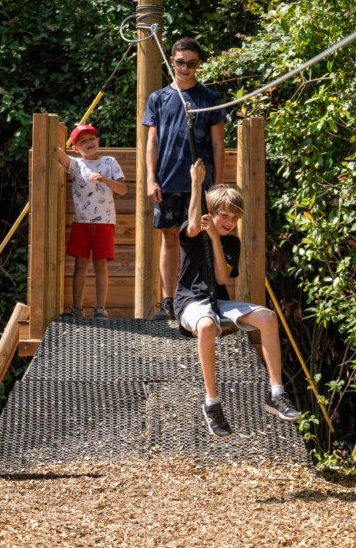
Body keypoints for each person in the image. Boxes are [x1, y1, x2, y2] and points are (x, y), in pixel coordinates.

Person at [176, 159, 301, 438]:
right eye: (226, 217)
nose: (231, 223)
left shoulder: (231, 242)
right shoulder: (193, 233)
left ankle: (276, 395)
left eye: (235, 219)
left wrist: (217, 240)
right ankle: (212, 403)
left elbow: (222, 278)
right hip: (190, 303)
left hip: (217, 301)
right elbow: (194, 225)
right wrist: (196, 184)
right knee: (206, 326)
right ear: (212, 213)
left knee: (268, 317)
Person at [142, 37, 226, 321]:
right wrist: (150, 179)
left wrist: (216, 187)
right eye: (180, 62)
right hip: (167, 180)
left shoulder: (210, 98)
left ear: (199, 64)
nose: (185, 68)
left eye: (191, 63)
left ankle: (199, 297)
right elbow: (151, 142)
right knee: (168, 239)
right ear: (172, 62)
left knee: (200, 237)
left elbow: (217, 145)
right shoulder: (158, 98)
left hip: (200, 182)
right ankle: (168, 302)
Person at [57, 124, 127, 319]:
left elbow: (123, 190)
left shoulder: (109, 162)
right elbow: (54, 150)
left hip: (104, 222)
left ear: (98, 140)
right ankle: (77, 309)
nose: (89, 143)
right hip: (81, 222)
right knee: (80, 265)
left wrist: (105, 180)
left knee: (100, 265)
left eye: (92, 138)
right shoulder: (75, 164)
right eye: (83, 141)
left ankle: (100, 309)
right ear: (75, 148)